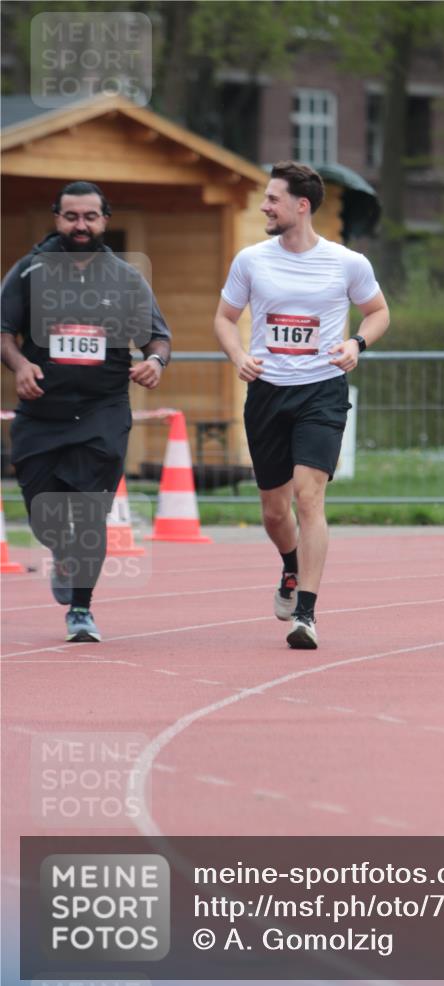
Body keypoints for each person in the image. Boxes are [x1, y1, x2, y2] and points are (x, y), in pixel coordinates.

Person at [214, 161, 389, 649]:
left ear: (301, 205)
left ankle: (306, 615)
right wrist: (239, 355)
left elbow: (378, 312)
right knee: (275, 512)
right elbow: (226, 319)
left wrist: (356, 343)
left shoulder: (348, 263)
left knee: (309, 497)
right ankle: (290, 567)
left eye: (272, 199)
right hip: (268, 392)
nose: (265, 207)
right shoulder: (251, 260)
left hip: (322, 390)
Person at [1, 181, 171, 641]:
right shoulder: (30, 271)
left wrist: (154, 361)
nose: (80, 225)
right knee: (42, 513)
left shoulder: (124, 278)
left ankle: (81, 609)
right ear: (57, 218)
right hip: (41, 412)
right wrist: (19, 364)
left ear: (104, 221)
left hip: (102, 412)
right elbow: (3, 331)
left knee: (91, 514)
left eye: (90, 217)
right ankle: (62, 552)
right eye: (71, 216)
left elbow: (157, 336)